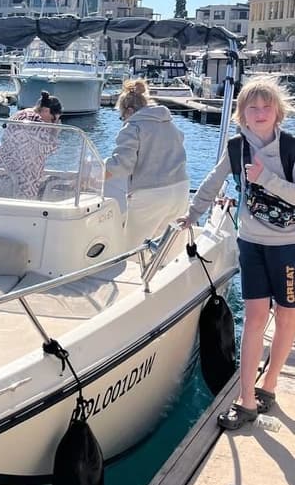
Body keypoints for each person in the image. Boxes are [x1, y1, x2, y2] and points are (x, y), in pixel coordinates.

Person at [180, 76, 295, 430]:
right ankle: (246, 399)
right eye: (252, 107)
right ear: (241, 114)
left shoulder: (291, 147)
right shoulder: (236, 148)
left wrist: (265, 178)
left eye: (266, 106)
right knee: (256, 316)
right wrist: (191, 215)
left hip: (288, 246)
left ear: (278, 111)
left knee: (287, 316)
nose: (259, 113)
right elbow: (213, 182)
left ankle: (270, 383)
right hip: (251, 242)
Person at [104, 78, 189, 247]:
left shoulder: (133, 127)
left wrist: (97, 173)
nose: (123, 121)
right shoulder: (169, 124)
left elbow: (122, 164)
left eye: (122, 117)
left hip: (151, 194)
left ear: (128, 110)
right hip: (180, 189)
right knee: (168, 247)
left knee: (132, 248)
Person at [0, 90, 62, 199]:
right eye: (54, 119)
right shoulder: (36, 120)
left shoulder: (21, 113)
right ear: (46, 110)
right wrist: (55, 131)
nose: (52, 123)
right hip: (15, 177)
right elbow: (50, 148)